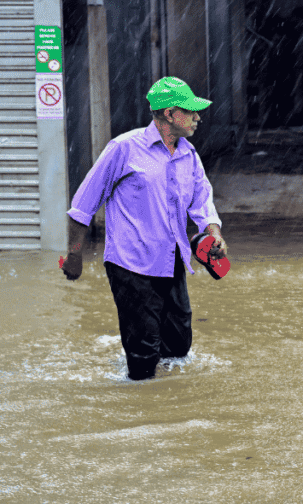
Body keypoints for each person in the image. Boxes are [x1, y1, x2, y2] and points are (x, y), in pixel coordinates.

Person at [61, 77, 228, 380]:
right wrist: (74, 256)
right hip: (131, 265)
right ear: (168, 113)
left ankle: (169, 411)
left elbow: (203, 204)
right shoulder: (124, 149)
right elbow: (82, 206)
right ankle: (139, 415)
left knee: (178, 347)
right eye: (190, 111)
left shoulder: (189, 156)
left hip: (172, 261)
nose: (197, 117)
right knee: (143, 360)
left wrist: (214, 233)